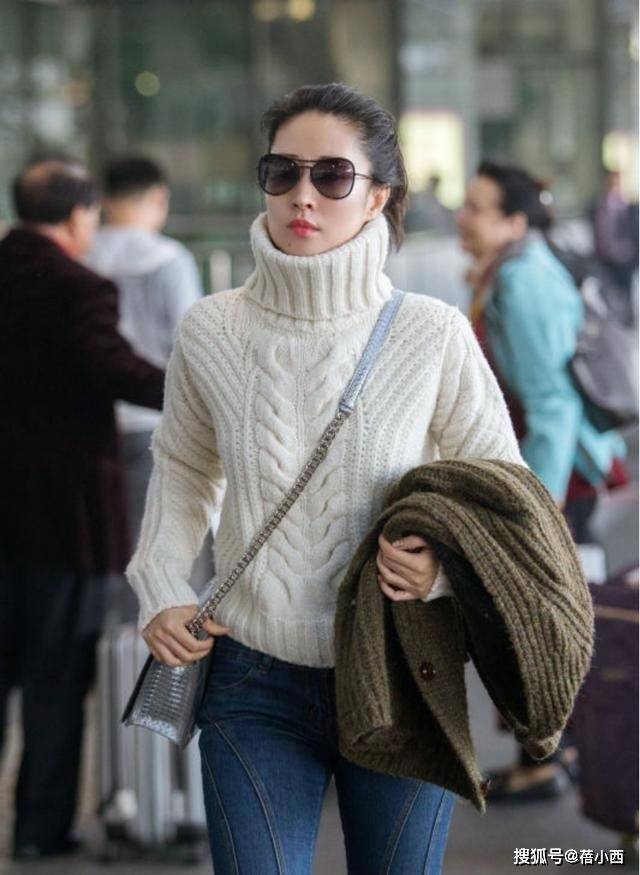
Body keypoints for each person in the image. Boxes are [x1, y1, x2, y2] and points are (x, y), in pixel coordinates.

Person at [126, 84, 523, 874]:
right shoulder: (211, 328)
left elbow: (507, 495)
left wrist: (444, 569)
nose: (302, 196)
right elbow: (185, 470)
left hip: (402, 668)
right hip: (251, 677)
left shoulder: (431, 333)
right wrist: (161, 584)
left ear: (378, 196)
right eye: (283, 172)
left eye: (333, 175)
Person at [0, 159, 165, 859]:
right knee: (56, 677)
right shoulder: (79, 288)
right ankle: (40, 831)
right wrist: (194, 387)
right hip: (64, 517)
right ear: (78, 216)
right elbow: (114, 368)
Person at [456, 160, 627, 802]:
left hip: (559, 477)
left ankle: (553, 759)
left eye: (477, 208)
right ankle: (548, 756)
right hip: (553, 470)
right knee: (539, 617)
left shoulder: (523, 280)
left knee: (545, 621)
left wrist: (538, 503)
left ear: (514, 222)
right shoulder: (508, 269)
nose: (462, 217)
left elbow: (552, 404)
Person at [85, 156, 202, 617]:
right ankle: (143, 646)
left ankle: (106, 645)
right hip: (154, 416)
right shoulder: (169, 258)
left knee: (102, 545)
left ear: (104, 199)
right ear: (158, 198)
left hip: (94, 422)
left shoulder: (82, 254)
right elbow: (190, 342)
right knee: (151, 544)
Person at [592, 169, 637, 324]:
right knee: (609, 292)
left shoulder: (627, 205)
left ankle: (627, 321)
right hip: (606, 257)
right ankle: (615, 323)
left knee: (626, 292)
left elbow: (633, 231)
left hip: (624, 256)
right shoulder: (601, 205)